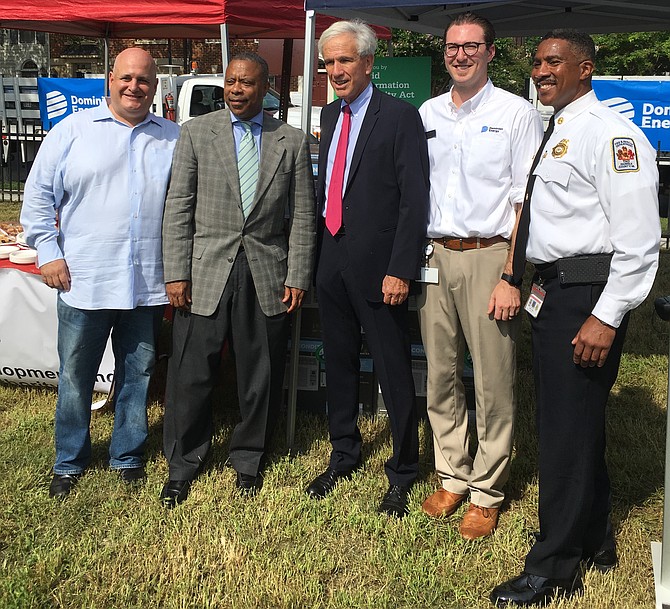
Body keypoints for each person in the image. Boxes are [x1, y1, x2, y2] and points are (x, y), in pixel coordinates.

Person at [491, 30, 660, 606]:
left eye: (554, 62)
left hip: (586, 296)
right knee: (578, 422)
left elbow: (640, 242)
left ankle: (553, 567)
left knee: (563, 434)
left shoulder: (610, 134)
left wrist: (606, 316)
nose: (541, 70)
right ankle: (593, 537)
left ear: (586, 68)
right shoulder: (557, 126)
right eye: (537, 61)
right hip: (555, 290)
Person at [20, 47, 180, 498]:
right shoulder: (71, 131)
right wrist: (48, 252)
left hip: (147, 283)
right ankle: (69, 460)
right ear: (110, 79)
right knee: (75, 376)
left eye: (144, 80)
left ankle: (126, 455)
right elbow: (37, 200)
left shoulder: (173, 138)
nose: (135, 86)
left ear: (156, 85)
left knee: (139, 373)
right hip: (83, 280)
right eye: (126, 77)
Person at [160, 52, 316, 507]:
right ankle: (183, 462)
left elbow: (303, 217)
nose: (236, 90)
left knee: (259, 372)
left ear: (264, 88)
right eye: (230, 82)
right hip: (206, 268)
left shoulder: (290, 141)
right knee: (191, 372)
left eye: (246, 83)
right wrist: (176, 273)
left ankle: (248, 459)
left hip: (265, 270)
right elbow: (179, 207)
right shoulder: (196, 134)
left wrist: (298, 274)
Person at [417, 12, 543, 539]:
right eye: (452, 47)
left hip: (491, 256)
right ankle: (452, 472)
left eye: (471, 46)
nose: (460, 55)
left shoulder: (516, 113)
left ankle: (488, 488)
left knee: (493, 378)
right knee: (439, 372)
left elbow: (525, 201)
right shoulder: (427, 112)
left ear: (491, 51)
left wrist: (512, 276)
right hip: (434, 256)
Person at [304, 20, 429, 518]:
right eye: (329, 62)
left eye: (344, 60)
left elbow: (413, 200)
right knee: (337, 362)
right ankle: (344, 453)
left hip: (381, 269)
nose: (336, 70)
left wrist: (400, 268)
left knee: (392, 367)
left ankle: (402, 469)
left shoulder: (400, 117)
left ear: (369, 62)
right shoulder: (330, 114)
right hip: (331, 259)